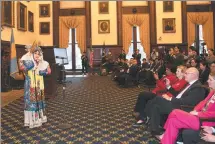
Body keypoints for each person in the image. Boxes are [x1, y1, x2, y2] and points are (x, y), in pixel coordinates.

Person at [146, 67, 206, 135]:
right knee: (155, 106)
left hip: (182, 108)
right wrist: (168, 86)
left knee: (158, 99)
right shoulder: (189, 84)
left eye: (186, 73)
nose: (184, 75)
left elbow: (187, 102)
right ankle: (155, 129)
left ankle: (146, 116)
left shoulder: (198, 87)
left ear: (193, 75)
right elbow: (178, 94)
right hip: (176, 103)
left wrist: (170, 99)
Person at [158, 75, 215, 144]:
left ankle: (165, 132)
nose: (207, 81)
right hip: (198, 117)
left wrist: (198, 113)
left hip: (204, 121)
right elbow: (202, 103)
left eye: (210, 79)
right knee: (173, 121)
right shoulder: (213, 92)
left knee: (175, 111)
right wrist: (196, 110)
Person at [19, 43, 51, 128]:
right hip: (30, 84)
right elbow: (21, 68)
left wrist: (41, 71)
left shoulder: (43, 62)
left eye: (39, 54)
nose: (37, 55)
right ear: (32, 54)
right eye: (35, 53)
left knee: (39, 100)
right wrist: (31, 65)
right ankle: (32, 120)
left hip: (39, 84)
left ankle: (39, 118)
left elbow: (49, 71)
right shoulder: (27, 60)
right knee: (31, 102)